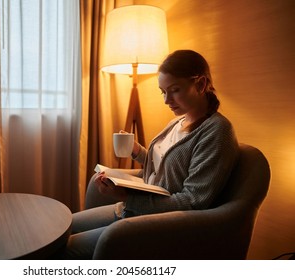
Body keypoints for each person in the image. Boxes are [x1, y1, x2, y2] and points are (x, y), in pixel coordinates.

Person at [59, 49, 239, 259]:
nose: (166, 100)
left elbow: (192, 201)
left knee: (64, 248)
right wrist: (137, 151)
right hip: (132, 209)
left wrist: (128, 197)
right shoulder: (178, 121)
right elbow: (163, 166)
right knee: (62, 228)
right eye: (163, 92)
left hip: (154, 224)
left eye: (174, 90)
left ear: (200, 84)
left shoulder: (217, 132)